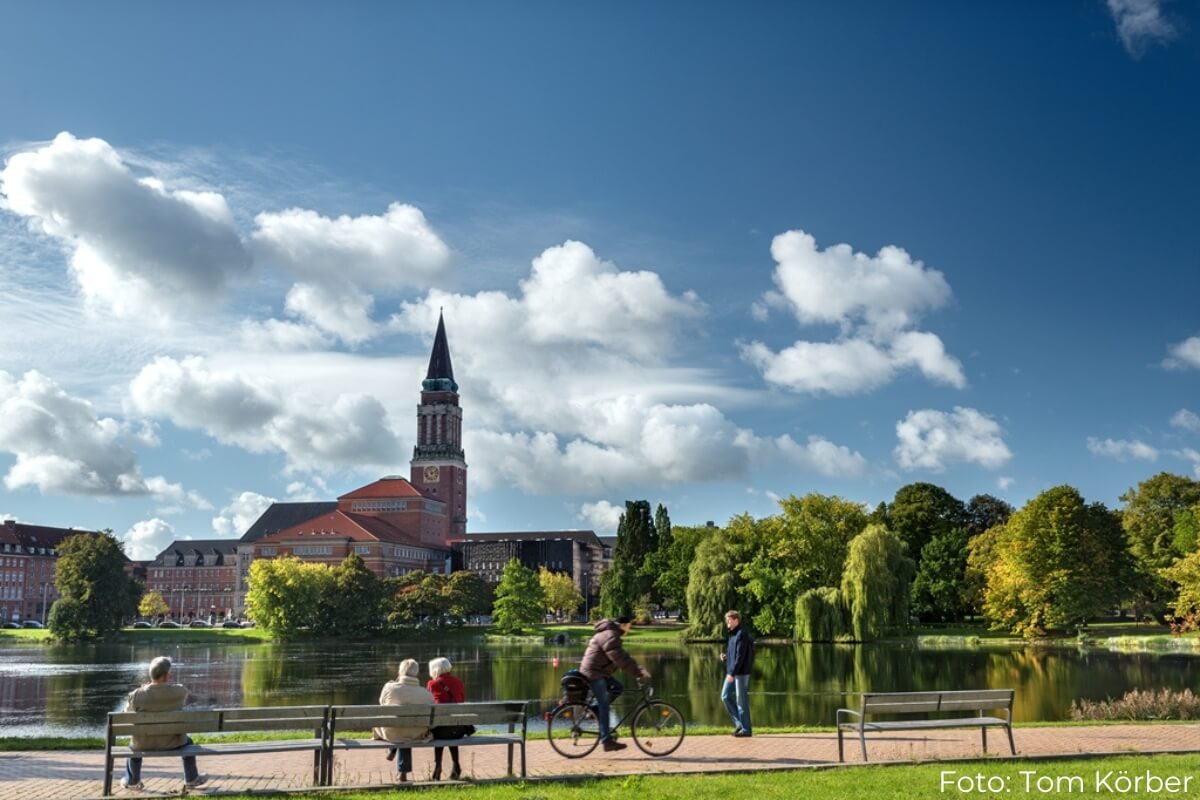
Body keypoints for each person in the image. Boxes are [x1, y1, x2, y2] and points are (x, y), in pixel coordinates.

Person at [121, 656, 207, 791]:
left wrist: (145, 689)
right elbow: (181, 694)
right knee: (189, 742)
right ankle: (191, 778)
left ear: (151, 674)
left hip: (143, 743)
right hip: (173, 742)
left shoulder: (137, 695)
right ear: (167, 675)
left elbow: (127, 712)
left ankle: (132, 780)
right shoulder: (179, 692)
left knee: (134, 746)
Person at [579, 616, 651, 751]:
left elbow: (624, 656)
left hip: (598, 671)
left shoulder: (611, 634)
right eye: (629, 626)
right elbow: (619, 660)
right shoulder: (610, 636)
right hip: (593, 673)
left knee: (618, 687)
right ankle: (607, 741)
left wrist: (637, 668)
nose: (630, 629)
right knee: (604, 704)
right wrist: (637, 672)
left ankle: (594, 709)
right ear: (623, 625)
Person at [375, 659, 434, 782]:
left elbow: (381, 704)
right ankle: (402, 772)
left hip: (391, 732)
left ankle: (394, 753)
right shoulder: (426, 693)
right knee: (408, 729)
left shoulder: (389, 687)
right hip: (416, 733)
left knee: (399, 726)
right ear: (416, 673)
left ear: (400, 672)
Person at [427, 657, 469, 780]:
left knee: (440, 728)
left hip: (439, 729)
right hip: (458, 729)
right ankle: (456, 765)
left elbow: (429, 705)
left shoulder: (432, 684)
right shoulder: (459, 682)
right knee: (451, 726)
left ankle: (438, 766)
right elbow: (461, 701)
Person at [719, 609, 754, 737]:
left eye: (729, 619)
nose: (727, 622)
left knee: (741, 700)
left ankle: (746, 730)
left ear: (736, 620)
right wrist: (726, 657)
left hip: (741, 673)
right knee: (725, 696)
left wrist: (732, 673)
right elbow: (733, 654)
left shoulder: (742, 634)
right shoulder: (732, 634)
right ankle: (740, 724)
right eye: (727, 620)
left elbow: (740, 656)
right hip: (733, 672)